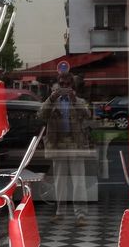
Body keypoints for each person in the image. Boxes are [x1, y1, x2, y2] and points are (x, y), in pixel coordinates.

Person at [38, 72, 94, 227]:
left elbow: (87, 115)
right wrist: (51, 98)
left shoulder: (79, 101)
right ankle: (60, 213)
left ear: (72, 86)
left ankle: (80, 215)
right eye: (61, 84)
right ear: (57, 85)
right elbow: (41, 115)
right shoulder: (52, 101)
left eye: (67, 84)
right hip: (58, 145)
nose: (64, 86)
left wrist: (74, 100)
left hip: (76, 144)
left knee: (79, 182)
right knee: (60, 182)